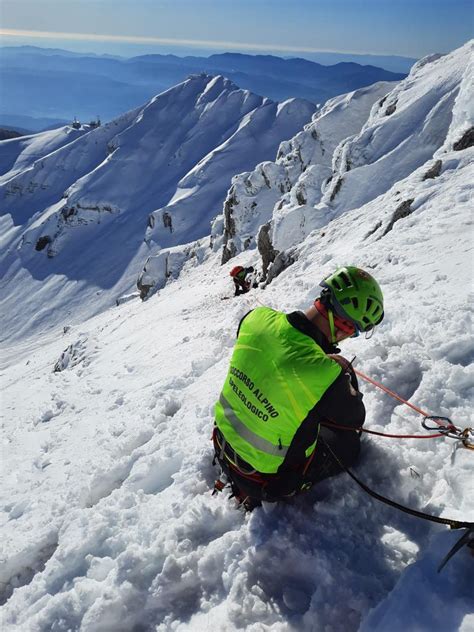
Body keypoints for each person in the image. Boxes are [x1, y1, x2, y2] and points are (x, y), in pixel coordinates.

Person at [213, 266, 384, 510]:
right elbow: (353, 421)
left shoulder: (255, 317)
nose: (350, 336)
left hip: (221, 442)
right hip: (265, 481)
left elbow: (274, 359)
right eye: (354, 331)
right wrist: (342, 372)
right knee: (348, 446)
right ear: (344, 326)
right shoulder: (328, 374)